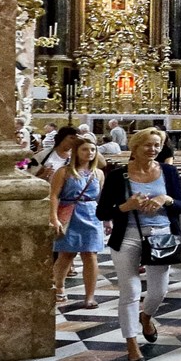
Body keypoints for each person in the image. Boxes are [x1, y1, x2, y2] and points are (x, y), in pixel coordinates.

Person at [98, 126, 181, 361]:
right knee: (130, 291)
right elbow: (102, 212)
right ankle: (132, 344)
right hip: (128, 236)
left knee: (159, 291)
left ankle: (146, 317)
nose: (153, 149)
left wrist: (165, 199)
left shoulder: (168, 172)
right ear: (134, 147)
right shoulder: (118, 176)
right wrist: (127, 206)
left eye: (157, 145)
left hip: (162, 235)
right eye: (148, 144)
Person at [49, 132, 106, 308]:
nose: (89, 153)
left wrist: (107, 219)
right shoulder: (64, 172)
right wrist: (54, 218)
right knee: (66, 254)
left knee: (90, 254)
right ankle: (58, 287)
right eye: (85, 149)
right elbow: (54, 195)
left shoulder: (98, 173)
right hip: (69, 212)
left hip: (91, 214)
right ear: (76, 152)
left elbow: (100, 198)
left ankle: (90, 296)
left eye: (92, 150)